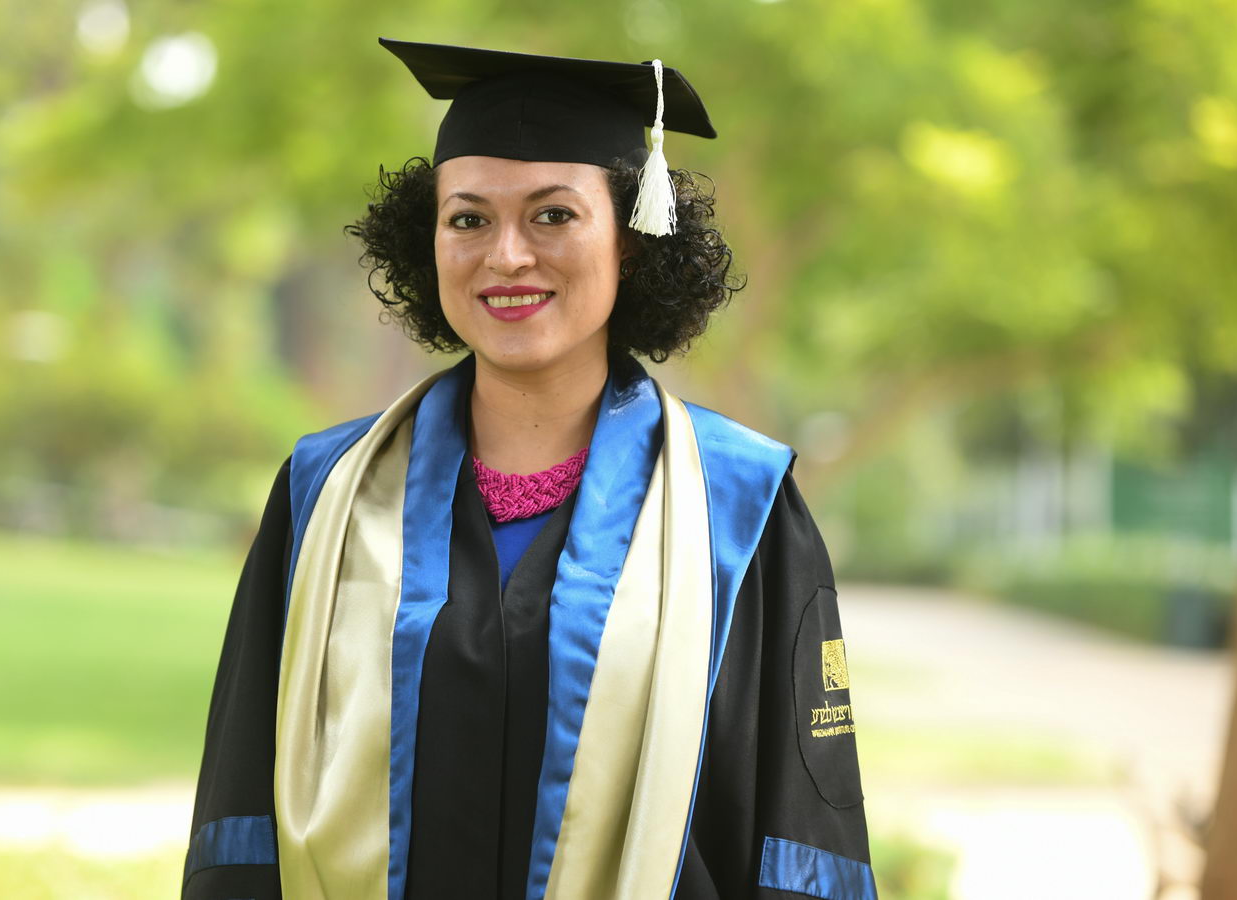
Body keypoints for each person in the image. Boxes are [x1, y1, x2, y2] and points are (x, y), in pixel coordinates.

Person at [183, 37, 876, 900]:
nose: (507, 255)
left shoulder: (740, 507)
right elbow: (243, 822)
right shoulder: (326, 495)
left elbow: (798, 847)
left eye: (553, 215)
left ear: (631, 241)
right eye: (468, 219)